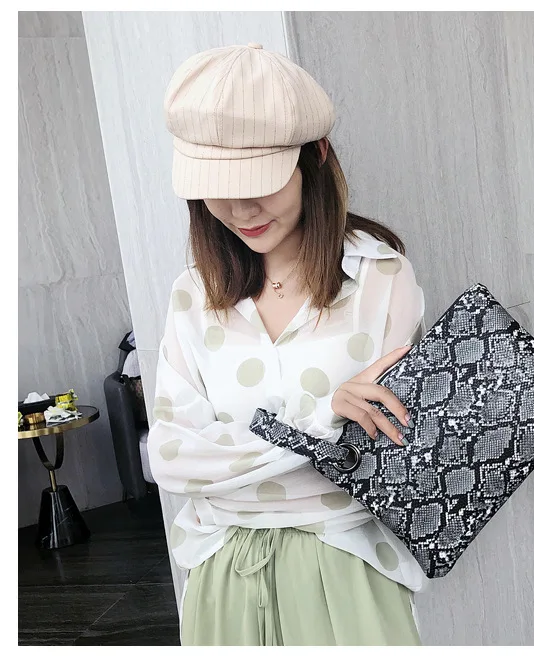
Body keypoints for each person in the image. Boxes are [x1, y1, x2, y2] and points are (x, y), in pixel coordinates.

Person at [147, 42, 428, 646]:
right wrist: (321, 423)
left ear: (315, 155)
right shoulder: (192, 294)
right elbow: (171, 457)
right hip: (222, 567)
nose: (239, 208)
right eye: (216, 186)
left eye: (260, 182)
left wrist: (234, 458)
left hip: (348, 565)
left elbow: (386, 454)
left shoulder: (380, 279)